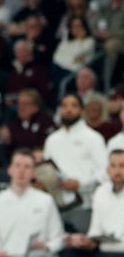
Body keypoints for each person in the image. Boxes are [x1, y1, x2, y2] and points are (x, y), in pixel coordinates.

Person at [61, 149, 124, 257]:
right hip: (103, 247)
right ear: (108, 169)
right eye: (113, 166)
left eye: (122, 166)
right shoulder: (101, 192)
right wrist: (87, 241)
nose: (118, 170)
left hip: (118, 251)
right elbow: (95, 229)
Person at [42, 92, 108, 233]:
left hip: (84, 204)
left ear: (82, 110)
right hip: (56, 206)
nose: (68, 109)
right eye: (64, 106)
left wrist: (81, 184)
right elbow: (46, 169)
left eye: (73, 105)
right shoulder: (52, 140)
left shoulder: (93, 138)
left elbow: (104, 171)